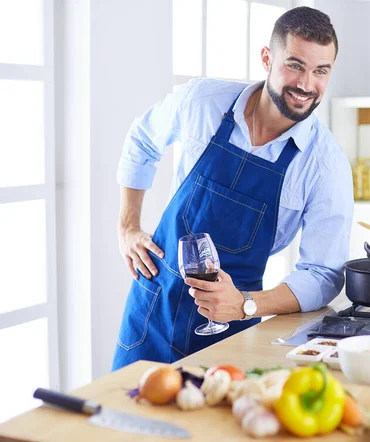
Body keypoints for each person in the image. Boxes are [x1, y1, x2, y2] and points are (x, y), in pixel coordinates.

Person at [112, 6, 353, 371]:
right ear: (266, 58)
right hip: (152, 311)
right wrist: (128, 225)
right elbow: (143, 140)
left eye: (321, 71)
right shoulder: (202, 102)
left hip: (231, 328)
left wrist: (246, 304)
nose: (306, 85)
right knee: (122, 420)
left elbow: (323, 273)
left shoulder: (326, 164)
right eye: (295, 65)